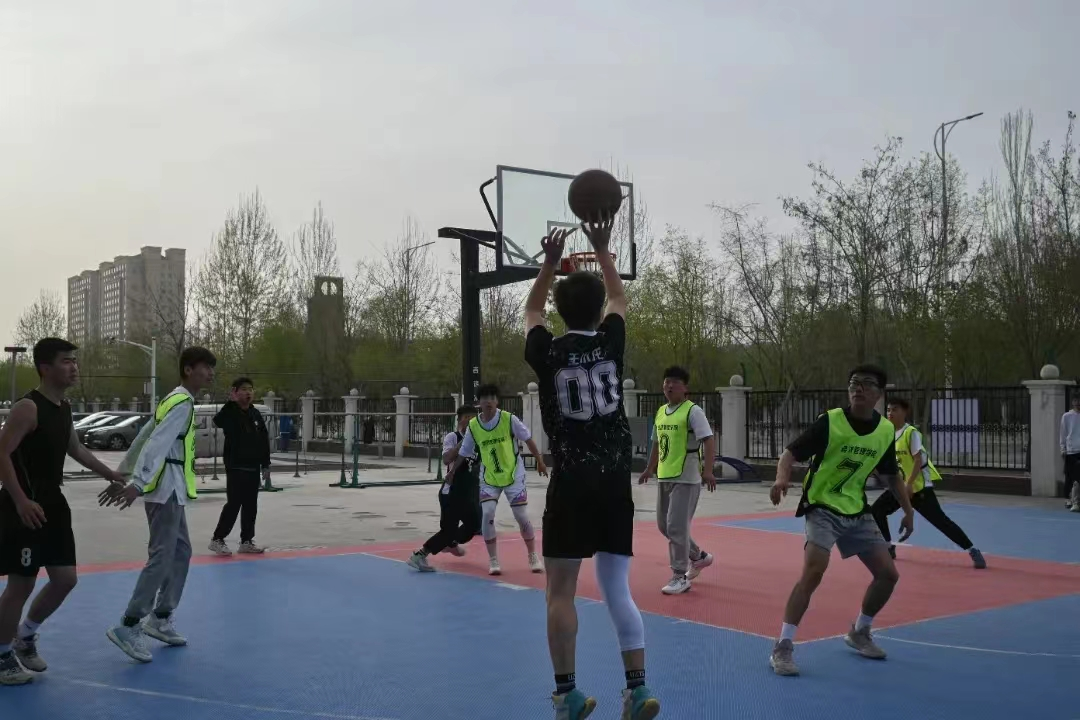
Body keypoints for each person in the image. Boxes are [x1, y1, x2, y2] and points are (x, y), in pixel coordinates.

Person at [524, 218, 660, 720]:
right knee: (617, 588)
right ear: (599, 310)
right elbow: (620, 298)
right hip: (613, 482)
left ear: (560, 312)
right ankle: (638, 690)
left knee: (560, 592)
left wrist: (547, 265)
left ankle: (567, 695)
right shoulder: (610, 342)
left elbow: (532, 309)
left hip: (571, 482)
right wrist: (603, 249)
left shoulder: (548, 352)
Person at [768, 365, 914, 677]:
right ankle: (783, 645)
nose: (858, 388)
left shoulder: (884, 430)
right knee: (814, 571)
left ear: (879, 393)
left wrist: (908, 510)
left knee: (888, 574)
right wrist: (781, 479)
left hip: (856, 510)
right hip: (822, 506)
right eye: (853, 383)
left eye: (866, 384)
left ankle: (860, 631)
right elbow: (789, 454)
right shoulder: (830, 421)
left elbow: (891, 475)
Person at [0, 338, 127, 685]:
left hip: (53, 503)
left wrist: (111, 474)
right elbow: (2, 454)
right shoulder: (28, 408)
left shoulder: (64, 407)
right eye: (66, 361)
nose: (74, 367)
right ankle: (2, 656)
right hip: (24, 504)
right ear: (46, 368)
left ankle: (25, 636)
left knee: (65, 580)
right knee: (21, 585)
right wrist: (20, 501)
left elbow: (76, 449)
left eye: (75, 361)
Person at [100, 346, 216, 663]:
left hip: (172, 489)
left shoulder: (174, 399)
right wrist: (136, 482)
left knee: (181, 552)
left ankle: (161, 617)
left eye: (211, 368)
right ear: (188, 369)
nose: (210, 373)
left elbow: (145, 436)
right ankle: (129, 623)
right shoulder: (181, 403)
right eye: (205, 367)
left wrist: (124, 472)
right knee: (163, 556)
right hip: (164, 489)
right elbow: (156, 443)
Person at [871, 398, 986, 568]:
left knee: (941, 521)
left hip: (919, 488)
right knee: (876, 510)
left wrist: (909, 484)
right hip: (900, 488)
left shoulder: (911, 432)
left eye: (895, 409)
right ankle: (888, 547)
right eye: (888, 410)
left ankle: (972, 549)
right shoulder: (888, 435)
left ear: (905, 412)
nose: (890, 413)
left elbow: (918, 460)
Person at [445, 385, 546, 575]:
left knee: (521, 515)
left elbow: (528, 439)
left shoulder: (509, 419)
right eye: (485, 398)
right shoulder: (474, 425)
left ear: (497, 401)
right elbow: (464, 451)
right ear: (480, 402)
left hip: (513, 474)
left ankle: (533, 554)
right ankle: (493, 560)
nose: (488, 401)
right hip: (489, 477)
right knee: (488, 513)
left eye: (492, 398)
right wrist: (452, 471)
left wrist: (540, 461)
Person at [637, 366, 716, 595]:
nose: (669, 386)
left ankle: (679, 576)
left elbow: (708, 440)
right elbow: (656, 443)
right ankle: (698, 556)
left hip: (687, 478)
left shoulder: (693, 411)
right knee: (665, 526)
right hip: (665, 475)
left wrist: (708, 471)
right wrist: (649, 468)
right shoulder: (661, 412)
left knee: (676, 527)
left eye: (675, 382)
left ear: (685, 388)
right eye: (666, 382)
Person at [407, 405, 483, 571]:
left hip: (468, 492)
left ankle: (450, 542)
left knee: (474, 524)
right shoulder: (452, 437)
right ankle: (419, 555)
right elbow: (446, 459)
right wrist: (464, 441)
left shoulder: (480, 440)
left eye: (473, 418)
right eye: (467, 418)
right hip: (451, 492)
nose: (470, 421)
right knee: (448, 530)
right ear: (460, 420)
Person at [208, 377, 271, 555]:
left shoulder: (255, 414)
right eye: (243, 389)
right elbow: (217, 421)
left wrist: (265, 464)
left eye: (250, 389)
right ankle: (217, 539)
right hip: (236, 466)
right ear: (235, 392)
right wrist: (230, 403)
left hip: (253, 467)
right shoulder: (231, 412)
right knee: (234, 504)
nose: (248, 392)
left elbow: (263, 440)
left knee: (251, 506)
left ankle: (246, 541)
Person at [1061, 393, 1080, 512]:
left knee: (1078, 478)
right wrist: (1062, 448)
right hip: (1071, 451)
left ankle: (1076, 501)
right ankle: (1069, 499)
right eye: (1076, 400)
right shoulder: (1067, 416)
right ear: (1073, 402)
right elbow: (1063, 433)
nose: (1078, 403)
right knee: (1070, 476)